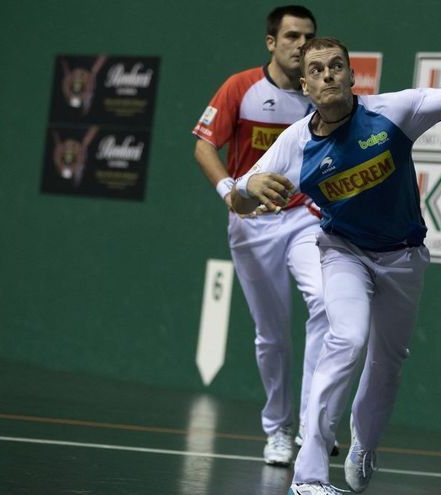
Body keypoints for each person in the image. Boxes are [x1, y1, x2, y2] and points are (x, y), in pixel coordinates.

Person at [231, 37, 441, 495]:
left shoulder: (394, 112)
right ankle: (309, 477)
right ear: (305, 86)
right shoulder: (294, 144)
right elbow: (240, 198)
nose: (327, 75)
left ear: (351, 75)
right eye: (316, 70)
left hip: (404, 257)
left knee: (388, 362)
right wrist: (249, 185)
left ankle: (364, 444)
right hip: (343, 252)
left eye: (336, 66)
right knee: (346, 338)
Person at [191, 5, 332, 466]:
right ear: (272, 42)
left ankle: (312, 424)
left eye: (308, 37)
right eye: (292, 36)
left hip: (305, 217)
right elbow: (204, 145)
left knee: (326, 303)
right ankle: (278, 429)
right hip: (252, 222)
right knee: (272, 336)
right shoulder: (241, 87)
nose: (301, 45)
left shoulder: (321, 94)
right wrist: (229, 192)